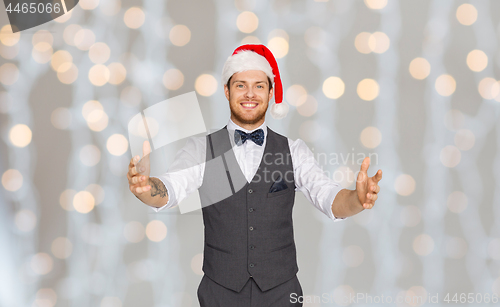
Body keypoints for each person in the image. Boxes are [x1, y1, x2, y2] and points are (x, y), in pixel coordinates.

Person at [127, 44, 382, 307]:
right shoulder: (201, 150)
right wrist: (146, 187)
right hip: (219, 292)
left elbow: (329, 197)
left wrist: (356, 198)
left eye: (259, 85)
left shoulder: (293, 151)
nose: (250, 93)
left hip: (281, 293)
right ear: (227, 91)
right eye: (240, 85)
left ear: (270, 92)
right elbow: (168, 190)